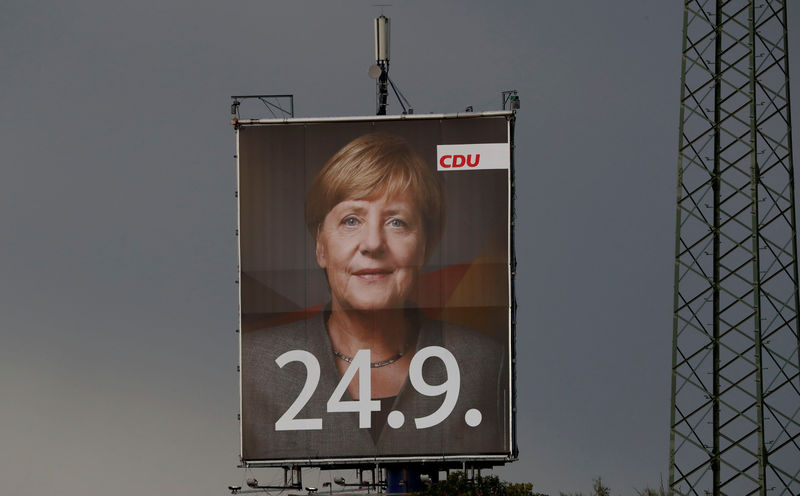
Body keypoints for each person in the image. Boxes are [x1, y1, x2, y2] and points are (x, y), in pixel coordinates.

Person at [241, 133, 508, 462]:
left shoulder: (485, 364)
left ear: (424, 246)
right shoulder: (254, 365)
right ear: (320, 247)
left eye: (397, 222)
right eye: (351, 220)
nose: (373, 244)